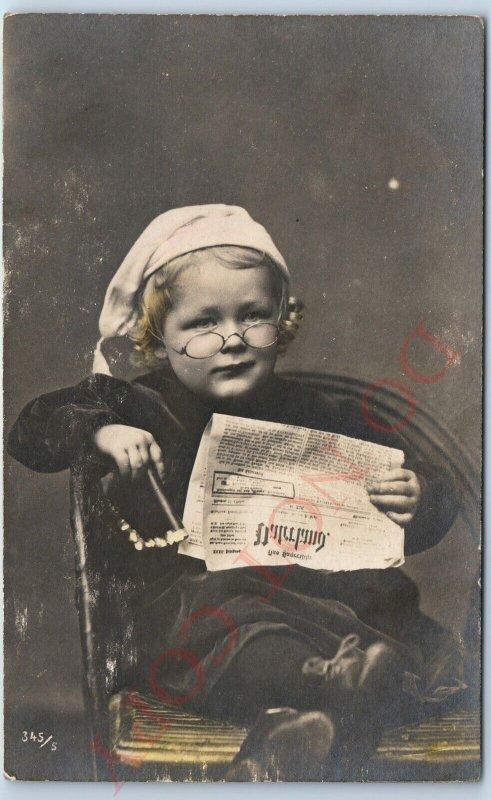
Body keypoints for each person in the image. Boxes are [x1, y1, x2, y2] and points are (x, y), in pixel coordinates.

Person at [7, 204, 466, 781]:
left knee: (369, 623)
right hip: (201, 612)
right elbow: (31, 427)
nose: (232, 340)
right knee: (240, 624)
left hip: (317, 599)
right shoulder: (142, 405)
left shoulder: (320, 413)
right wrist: (101, 431)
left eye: (254, 317)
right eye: (202, 324)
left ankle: (304, 726)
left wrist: (419, 493)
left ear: (283, 322)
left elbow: (415, 487)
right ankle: (330, 684)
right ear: (158, 335)